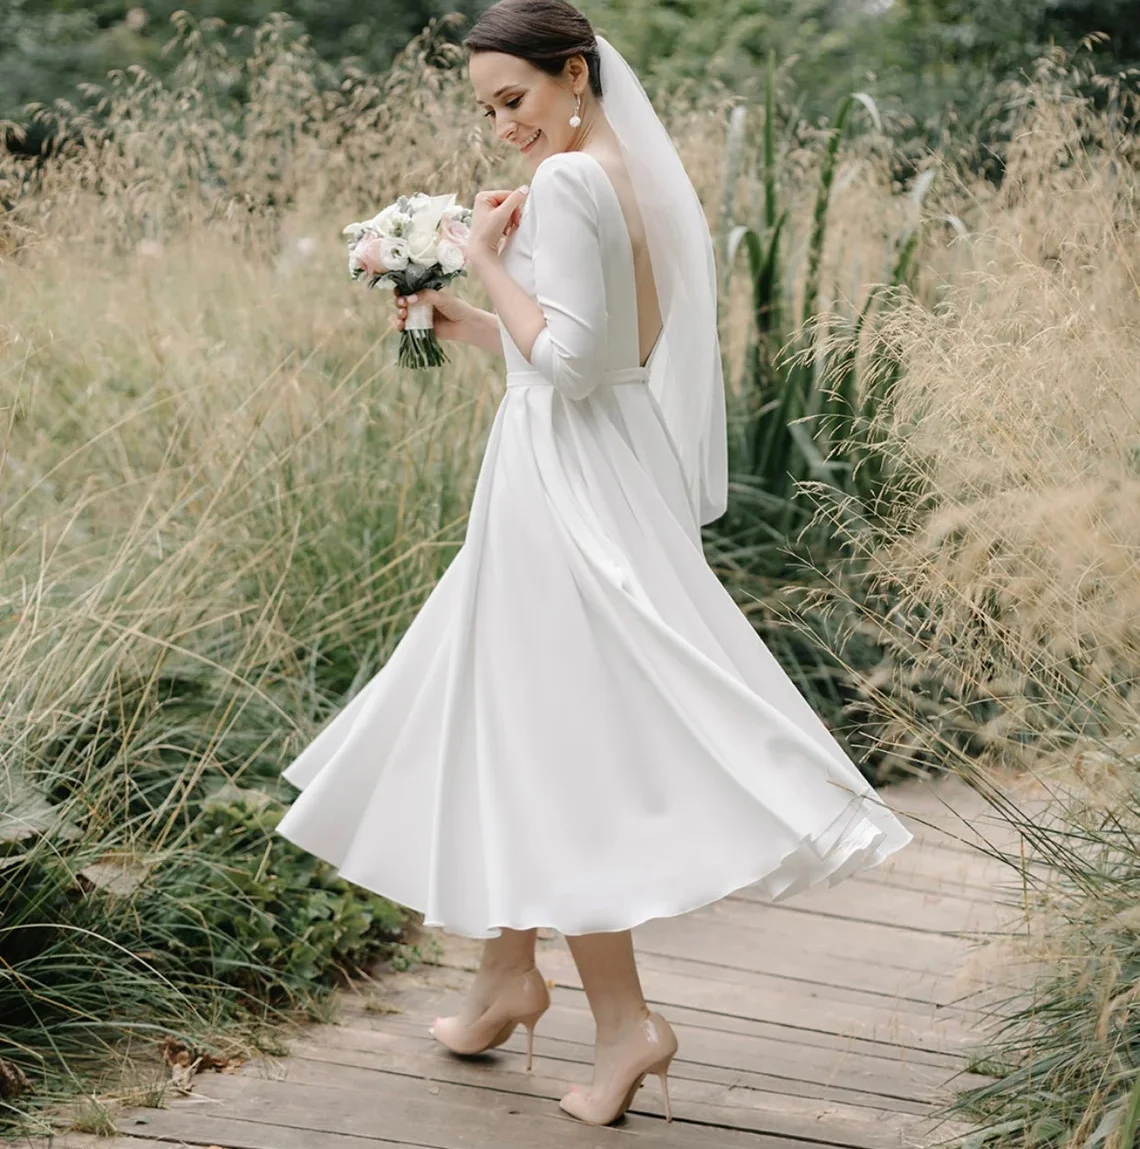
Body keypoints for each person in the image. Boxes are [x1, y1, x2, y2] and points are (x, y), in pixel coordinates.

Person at [276, 0, 913, 1128]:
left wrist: (478, 254)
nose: (502, 128)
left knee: (553, 738)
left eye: (513, 100)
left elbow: (567, 365)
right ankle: (503, 980)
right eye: (485, 110)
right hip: (598, 460)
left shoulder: (569, 182)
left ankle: (625, 1028)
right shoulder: (619, 170)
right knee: (515, 715)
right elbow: (600, 354)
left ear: (575, 72)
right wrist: (463, 316)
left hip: (560, 484)